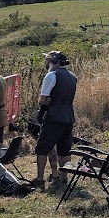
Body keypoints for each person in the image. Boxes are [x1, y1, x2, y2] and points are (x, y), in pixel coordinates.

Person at [34, 51, 77, 189]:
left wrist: (44, 103)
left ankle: (39, 179)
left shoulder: (52, 75)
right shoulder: (73, 77)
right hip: (69, 116)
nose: (46, 62)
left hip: (54, 116)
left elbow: (42, 100)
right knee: (65, 149)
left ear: (53, 60)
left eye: (48, 59)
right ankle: (63, 178)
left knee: (42, 148)